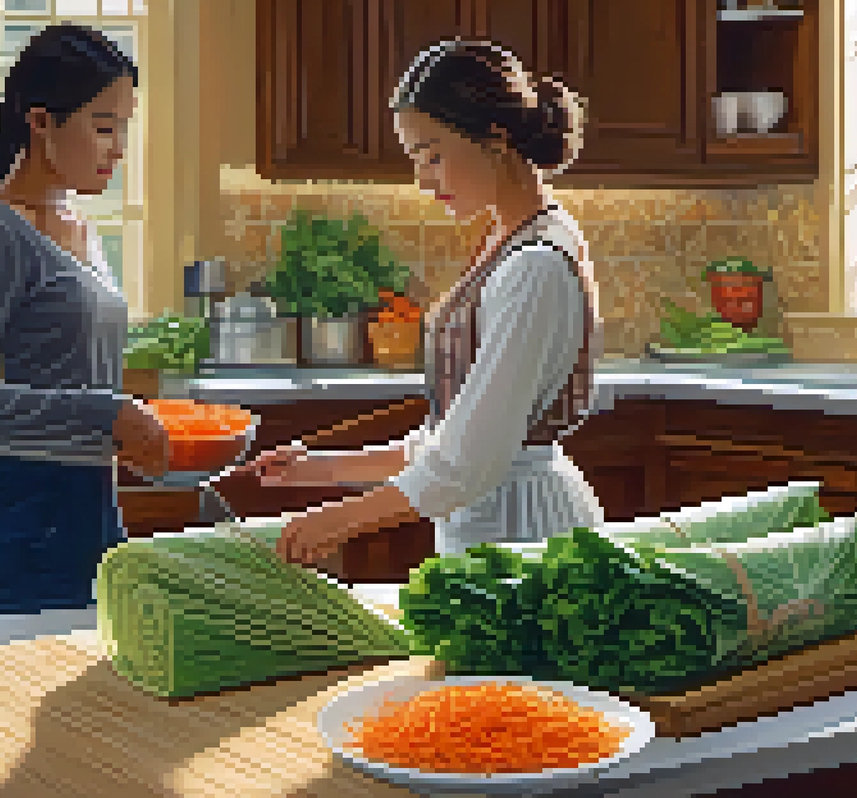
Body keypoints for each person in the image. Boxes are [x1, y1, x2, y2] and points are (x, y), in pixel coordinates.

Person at [251, 39, 606, 566]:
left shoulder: (535, 263)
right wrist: (319, 468)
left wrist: (335, 521)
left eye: (433, 155)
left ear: (495, 138)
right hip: (497, 524)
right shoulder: (510, 241)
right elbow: (454, 440)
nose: (422, 179)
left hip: (526, 536)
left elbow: (468, 462)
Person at [0, 24, 169, 618]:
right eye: (103, 127)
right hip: (23, 514)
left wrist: (121, 428)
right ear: (41, 123)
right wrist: (104, 412)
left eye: (123, 130)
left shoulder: (81, 226)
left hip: (89, 507)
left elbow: (78, 374)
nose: (117, 149)